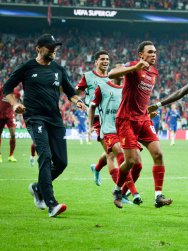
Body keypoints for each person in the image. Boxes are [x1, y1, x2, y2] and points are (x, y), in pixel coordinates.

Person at [3, 33, 86, 217]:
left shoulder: (58, 69)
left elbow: (71, 92)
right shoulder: (27, 67)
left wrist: (77, 101)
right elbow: (7, 88)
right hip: (34, 117)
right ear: (39, 48)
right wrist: (15, 104)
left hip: (55, 120)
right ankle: (51, 203)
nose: (54, 50)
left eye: (55, 46)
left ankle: (38, 188)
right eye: (50, 47)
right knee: (45, 156)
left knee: (62, 162)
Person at [108, 41, 173, 208]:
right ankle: (117, 191)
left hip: (143, 119)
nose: (153, 55)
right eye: (150, 52)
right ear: (141, 55)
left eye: (155, 52)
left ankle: (158, 195)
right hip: (126, 120)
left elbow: (142, 95)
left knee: (158, 154)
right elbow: (111, 73)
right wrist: (134, 68)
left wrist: (147, 111)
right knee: (131, 161)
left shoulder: (154, 73)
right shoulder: (133, 67)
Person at [89, 64, 143, 208]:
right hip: (107, 128)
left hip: (124, 128)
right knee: (118, 153)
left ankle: (98, 168)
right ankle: (133, 192)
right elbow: (92, 106)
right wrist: (90, 126)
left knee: (137, 163)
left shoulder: (128, 89)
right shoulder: (102, 87)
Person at [76, 50, 110, 186]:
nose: (105, 61)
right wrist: (78, 101)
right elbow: (76, 93)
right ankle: (122, 191)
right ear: (96, 62)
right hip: (96, 118)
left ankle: (96, 168)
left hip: (112, 118)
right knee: (112, 152)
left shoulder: (113, 77)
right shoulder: (88, 76)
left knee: (113, 151)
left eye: (107, 59)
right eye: (102, 59)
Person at [0, 84, 20, 163]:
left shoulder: (15, 92)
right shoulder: (1, 89)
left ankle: (11, 155)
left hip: (9, 115)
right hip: (0, 114)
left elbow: (17, 100)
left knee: (13, 134)